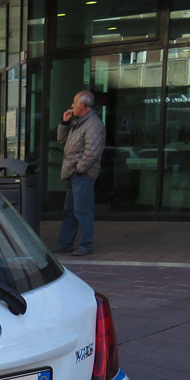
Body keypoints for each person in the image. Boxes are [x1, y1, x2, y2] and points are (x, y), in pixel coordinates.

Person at [53, 91, 104, 257]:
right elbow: (62, 140)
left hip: (82, 173)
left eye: (74, 102)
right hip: (73, 172)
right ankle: (65, 244)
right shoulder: (78, 122)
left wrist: (79, 169)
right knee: (70, 210)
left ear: (82, 105)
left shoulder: (93, 124)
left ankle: (86, 245)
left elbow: (92, 152)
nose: (72, 105)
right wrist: (64, 122)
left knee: (83, 210)